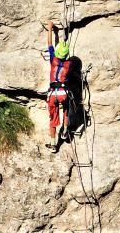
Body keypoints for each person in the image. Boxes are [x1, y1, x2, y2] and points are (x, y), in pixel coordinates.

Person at [45, 20, 71, 153]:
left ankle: (53, 145)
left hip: (53, 93)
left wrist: (50, 28)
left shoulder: (53, 59)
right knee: (66, 107)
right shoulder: (68, 64)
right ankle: (65, 131)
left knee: (53, 119)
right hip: (63, 92)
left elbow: (49, 44)